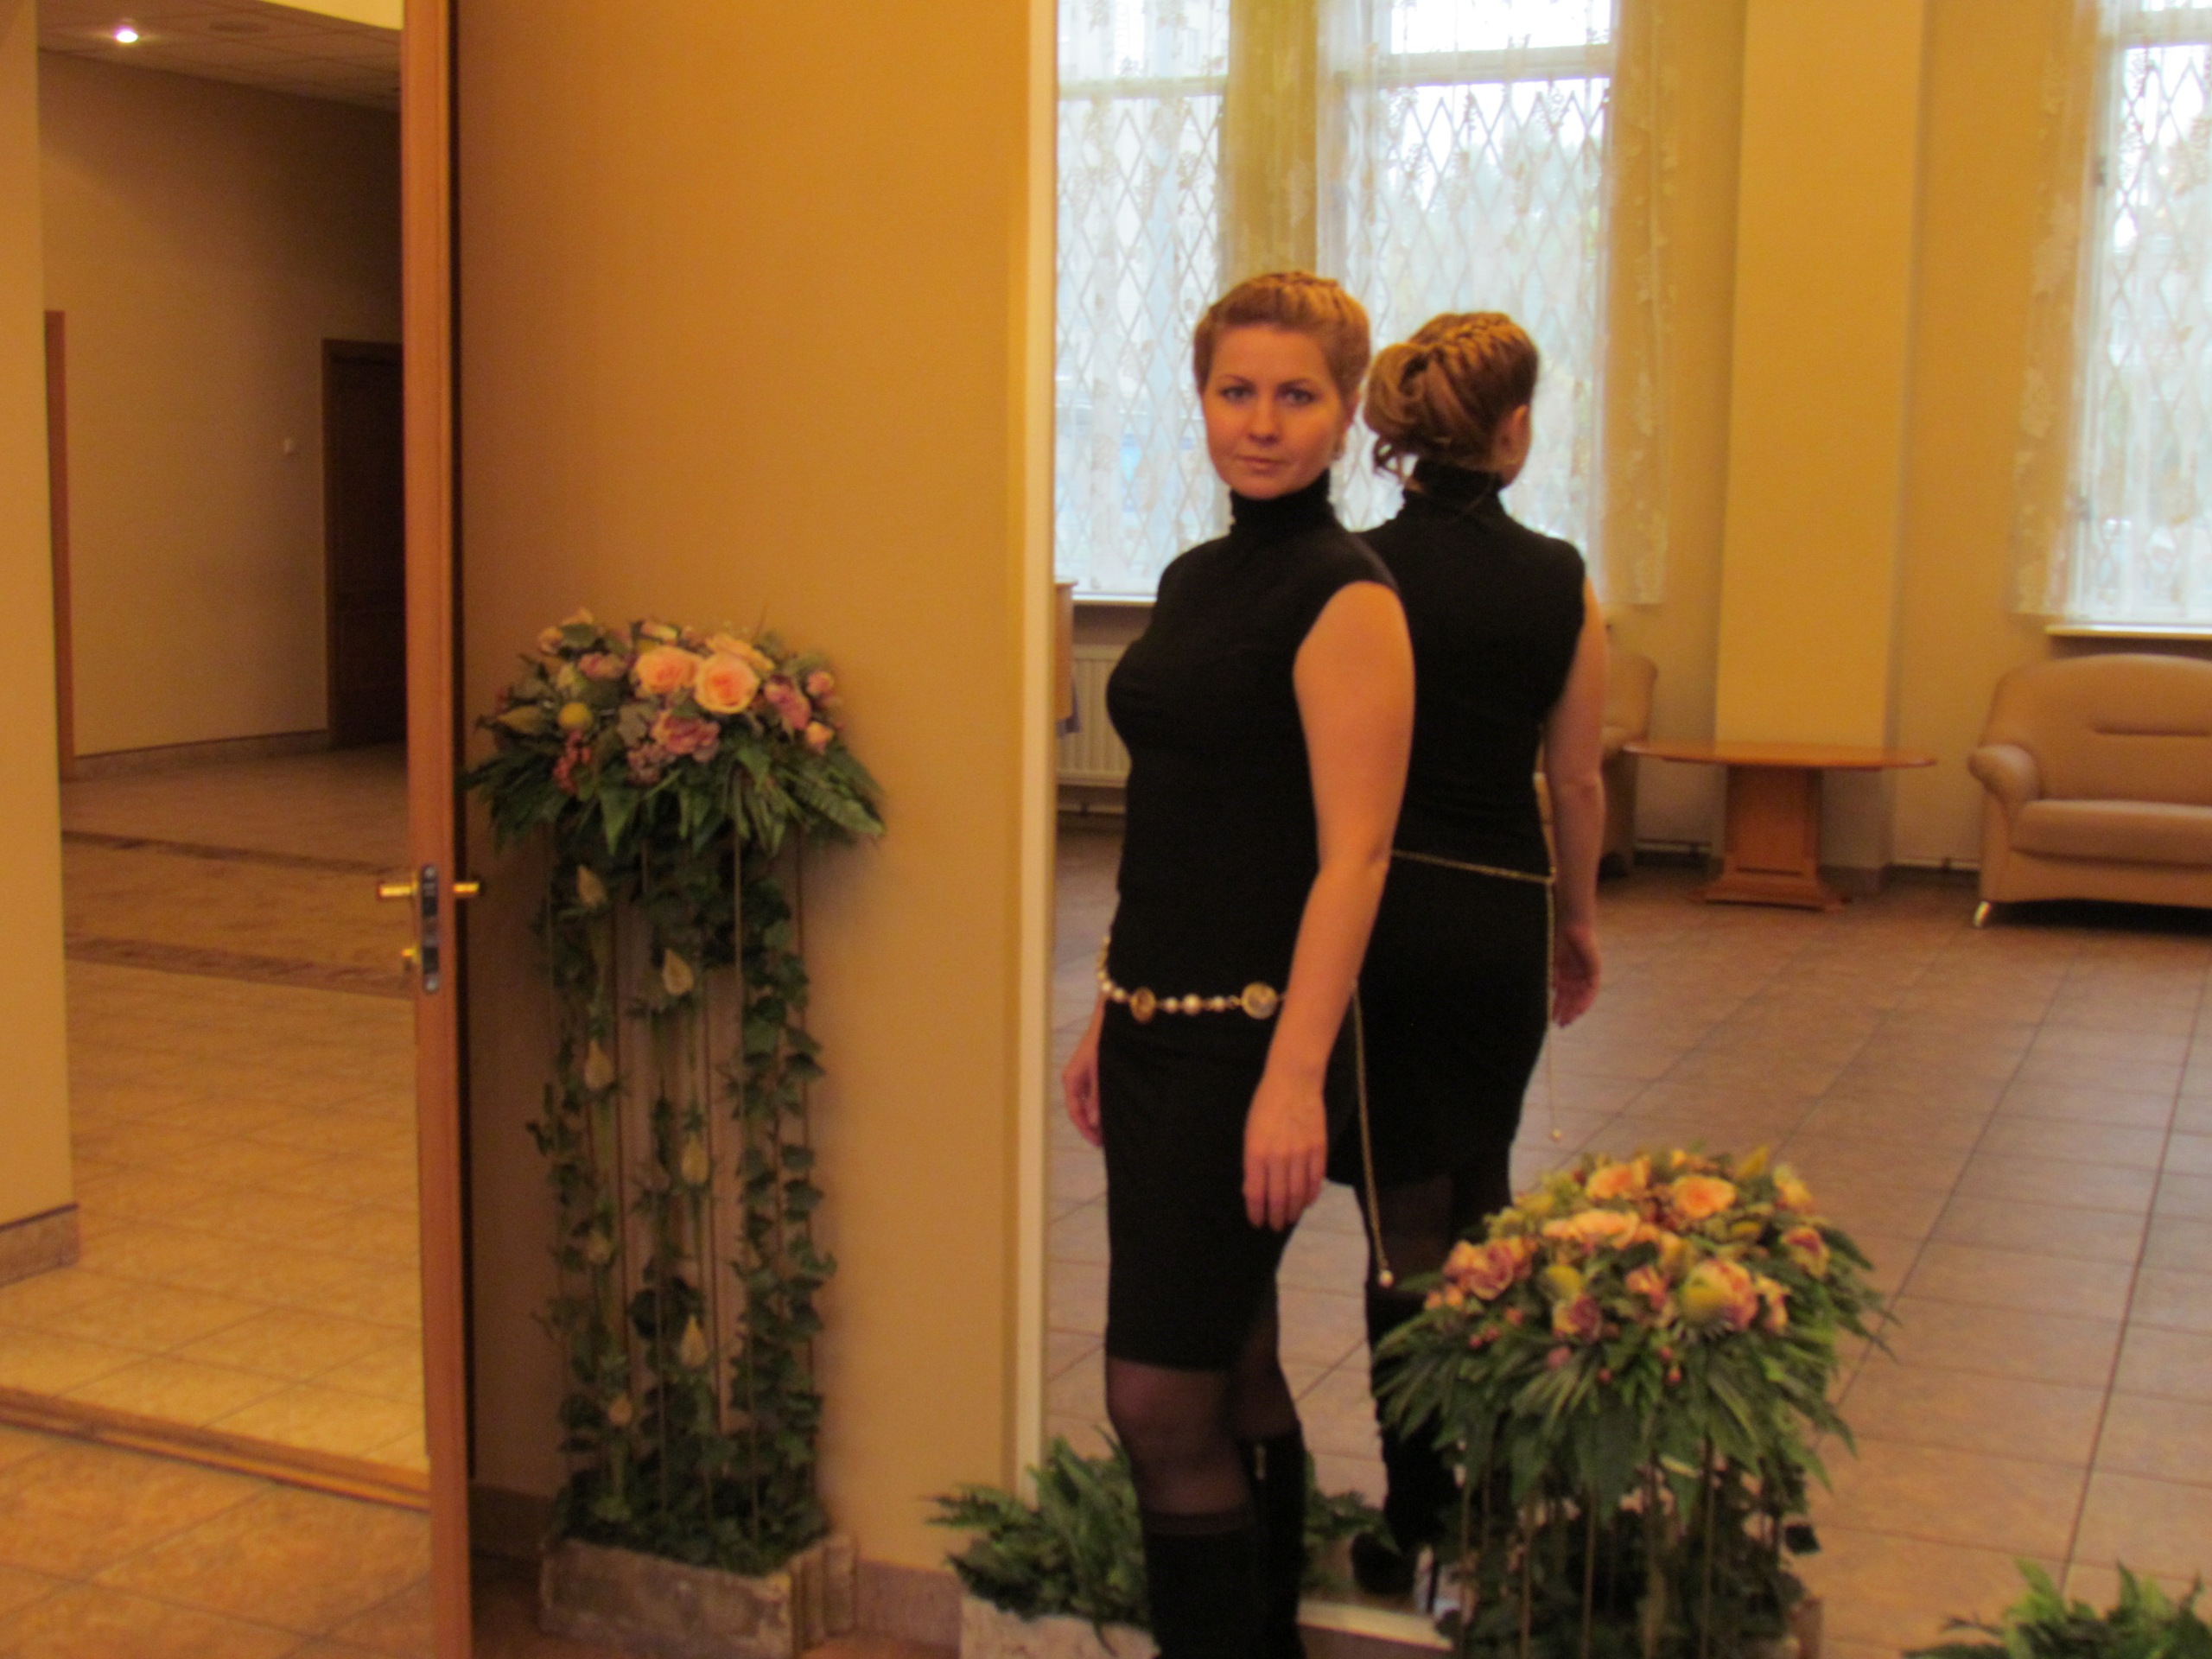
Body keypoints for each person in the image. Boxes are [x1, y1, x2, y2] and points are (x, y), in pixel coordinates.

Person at [1061, 272, 1414, 1659]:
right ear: (1202, 399)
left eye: (1296, 396)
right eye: (1236, 391)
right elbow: (1173, 826)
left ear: (1347, 411)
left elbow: (1356, 858)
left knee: (1156, 1401)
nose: (1261, 424)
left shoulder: (1348, 595)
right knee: (1236, 1355)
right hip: (1155, 1030)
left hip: (1251, 1050)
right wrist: (1109, 1005)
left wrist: (1293, 1079)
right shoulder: (1196, 579)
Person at [1332, 311, 1608, 1595]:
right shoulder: (1559, 578)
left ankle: (1414, 1518)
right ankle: (1496, 1499)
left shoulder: (1352, 571)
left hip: (1383, 918)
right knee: (1484, 1198)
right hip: (1502, 914)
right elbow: (1578, 780)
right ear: (1514, 429)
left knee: (1404, 1228)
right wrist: (1578, 923)